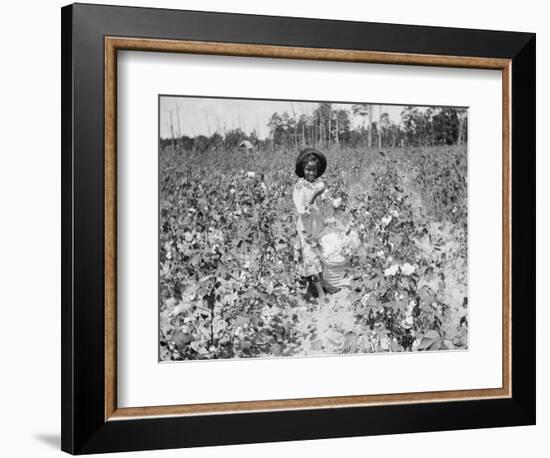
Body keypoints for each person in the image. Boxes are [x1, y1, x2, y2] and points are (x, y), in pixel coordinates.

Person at [293, 148, 332, 300]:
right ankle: (321, 293)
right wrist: (314, 196)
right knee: (311, 259)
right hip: (305, 228)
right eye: (308, 169)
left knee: (318, 257)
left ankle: (313, 289)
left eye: (314, 170)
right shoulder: (299, 187)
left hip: (318, 227)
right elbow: (302, 210)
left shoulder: (318, 184)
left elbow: (325, 200)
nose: (311, 173)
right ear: (303, 169)